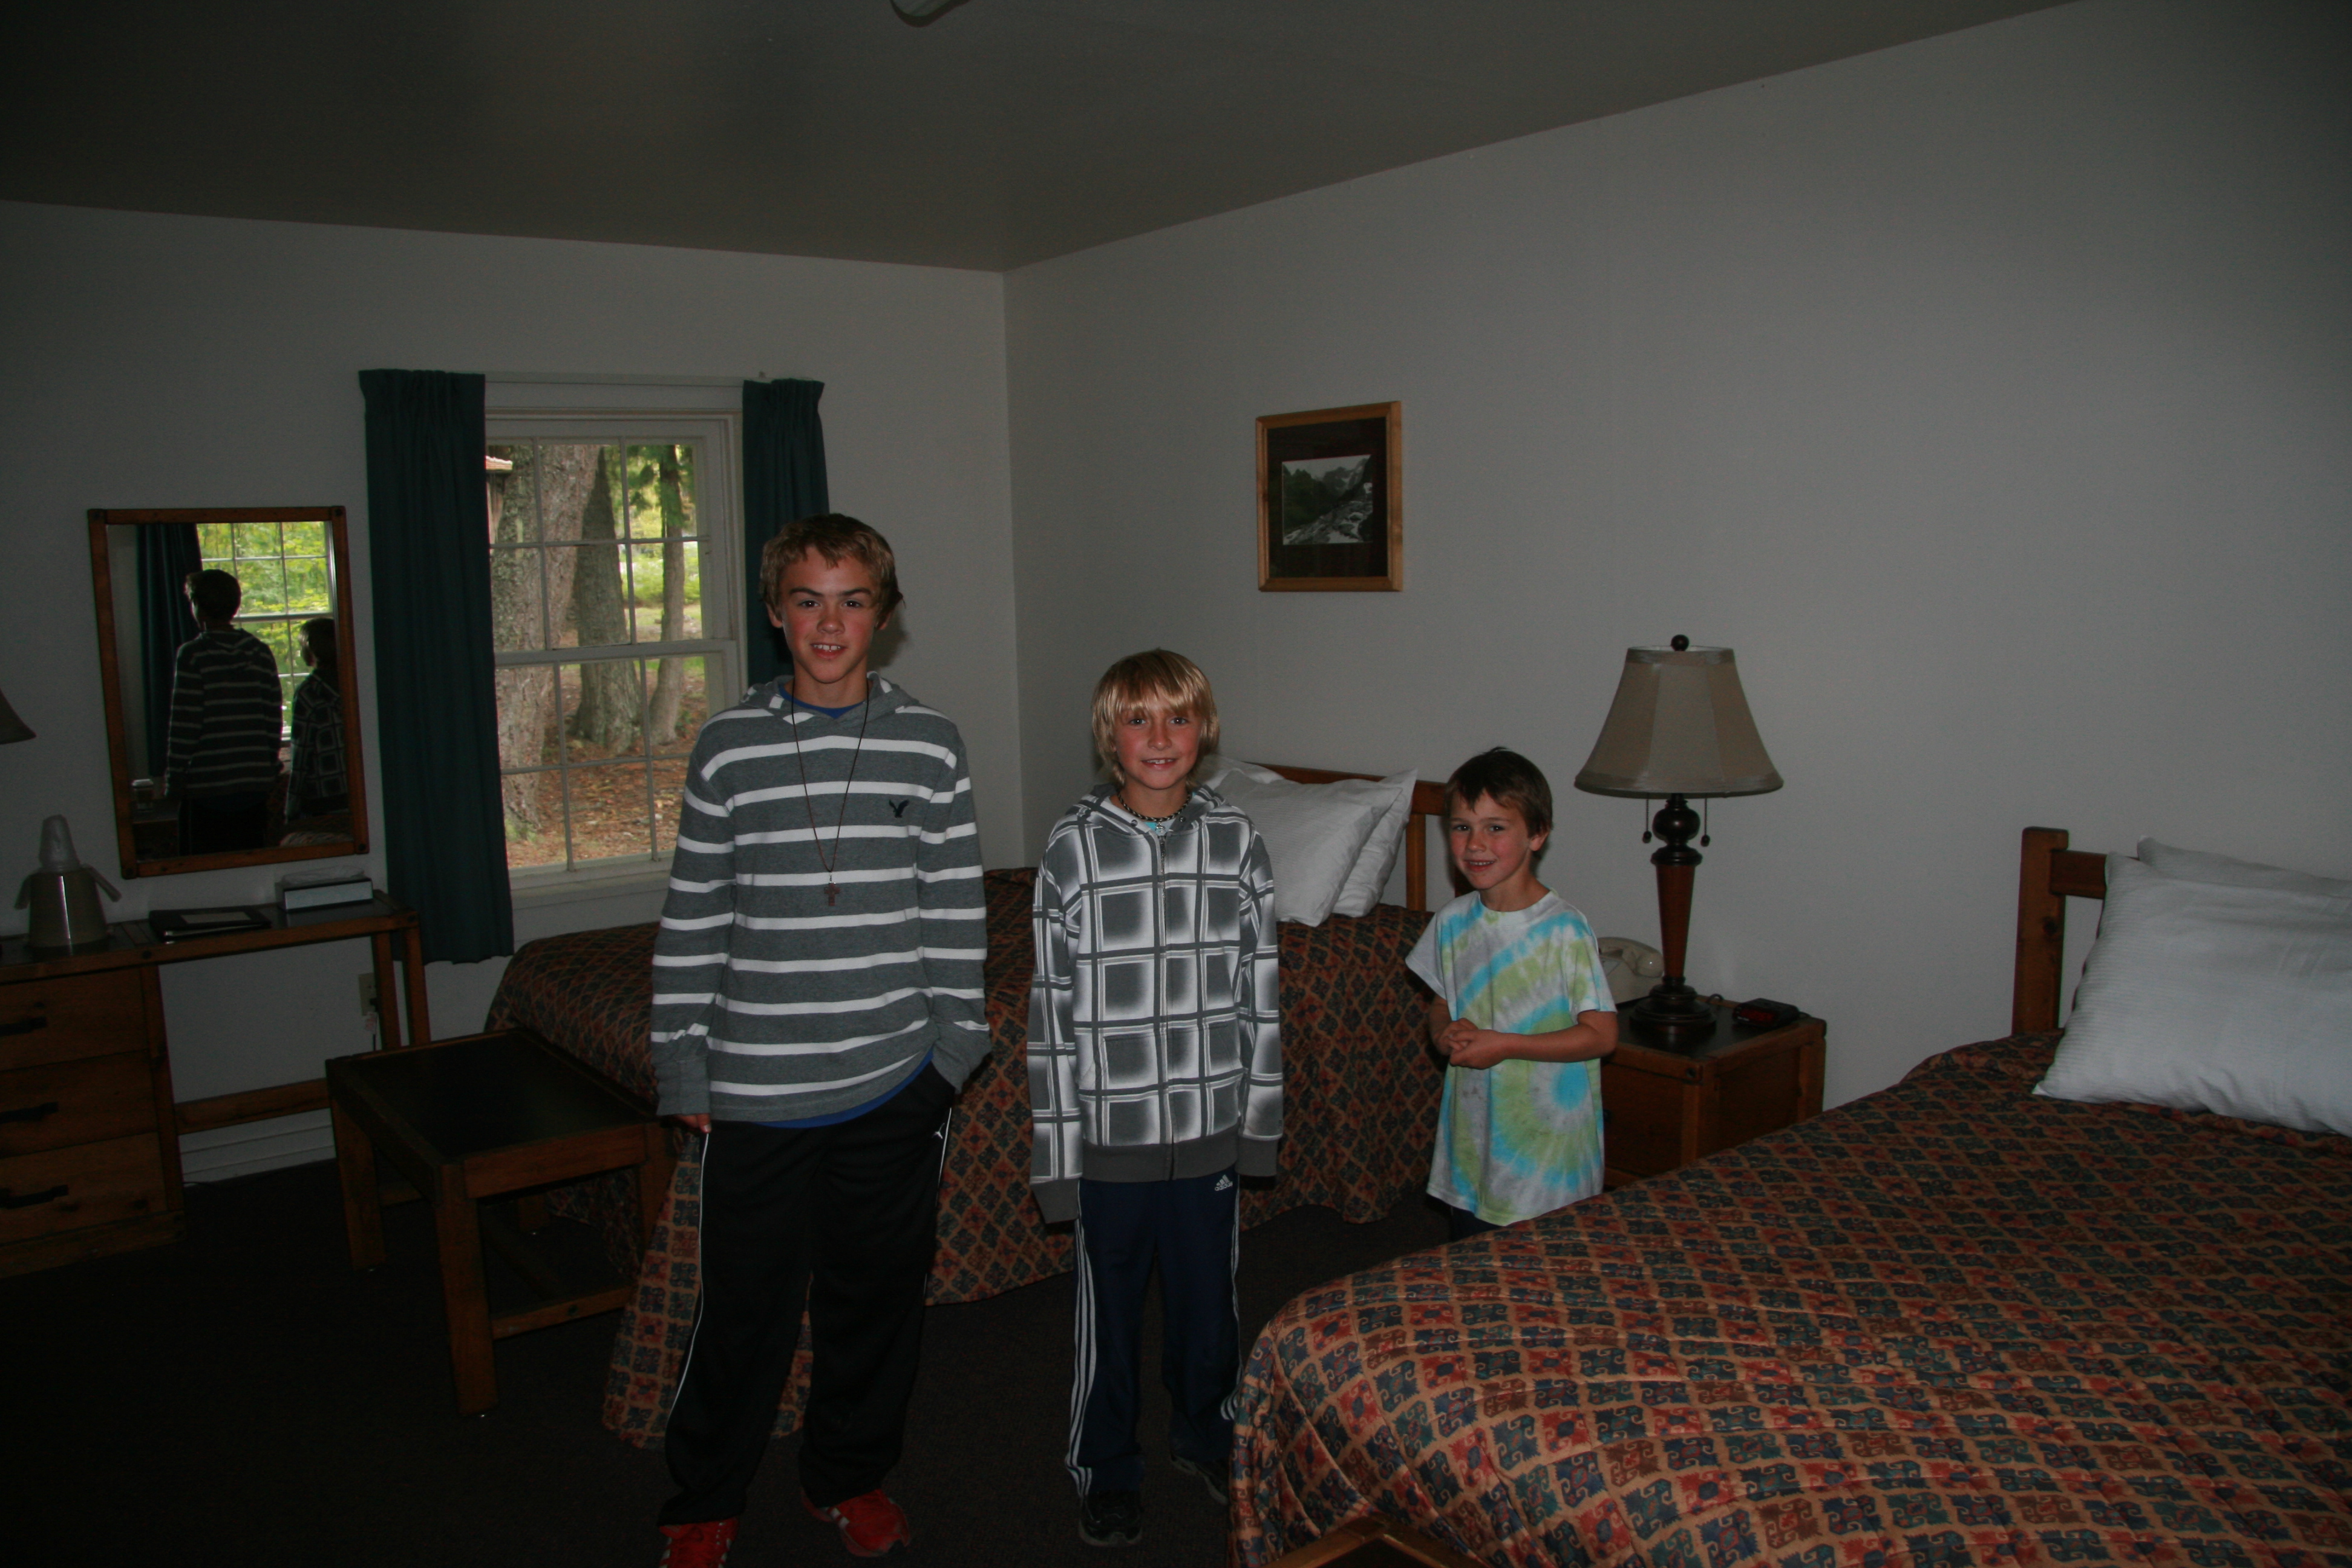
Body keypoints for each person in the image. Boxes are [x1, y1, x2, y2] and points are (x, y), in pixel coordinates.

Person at [647, 514, 985, 1567]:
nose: (829, 624)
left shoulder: (929, 743)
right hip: (757, 1090)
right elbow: (694, 911)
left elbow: (953, 909)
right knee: (742, 1310)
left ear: (883, 616)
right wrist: (682, 1058)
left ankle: (846, 1473)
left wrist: (953, 1055)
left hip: (894, 1084)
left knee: (874, 1305)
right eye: (807, 600)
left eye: (851, 601)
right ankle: (707, 1493)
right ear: (774, 611)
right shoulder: (728, 746)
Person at [1027, 650, 1281, 1549]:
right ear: (1110, 737)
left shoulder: (1238, 842)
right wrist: (1058, 1161)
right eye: (1139, 719)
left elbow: (1260, 995)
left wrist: (1259, 1127)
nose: (1160, 737)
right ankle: (1106, 1465)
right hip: (1110, 1143)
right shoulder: (1073, 848)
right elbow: (1050, 1016)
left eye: (1178, 717)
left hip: (1210, 1133)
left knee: (1212, 1310)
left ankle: (1206, 1435)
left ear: (1204, 731)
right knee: (1109, 1320)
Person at [1408, 747, 1618, 1241]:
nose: (1475, 844)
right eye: (1462, 827)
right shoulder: (1452, 922)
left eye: (1496, 828)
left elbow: (1601, 1035)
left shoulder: (1563, 930)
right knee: (1473, 1263)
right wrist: (1443, 1034)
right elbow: (1441, 1004)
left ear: (1537, 834)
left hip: (1547, 1158)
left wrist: (1506, 1045)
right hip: (1474, 1147)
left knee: (1539, 1275)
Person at [165, 569, 283, 854]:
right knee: (250, 859)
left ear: (198, 607)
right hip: (253, 783)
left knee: (204, 866)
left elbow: (185, 722)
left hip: (208, 784)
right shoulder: (259, 652)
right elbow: (273, 719)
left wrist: (175, 778)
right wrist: (268, 766)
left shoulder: (194, 654)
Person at [285, 617, 347, 821]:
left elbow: (301, 756)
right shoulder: (356, 684)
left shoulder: (309, 692)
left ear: (310, 651)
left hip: (322, 799)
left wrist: (291, 809)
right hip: (360, 794)